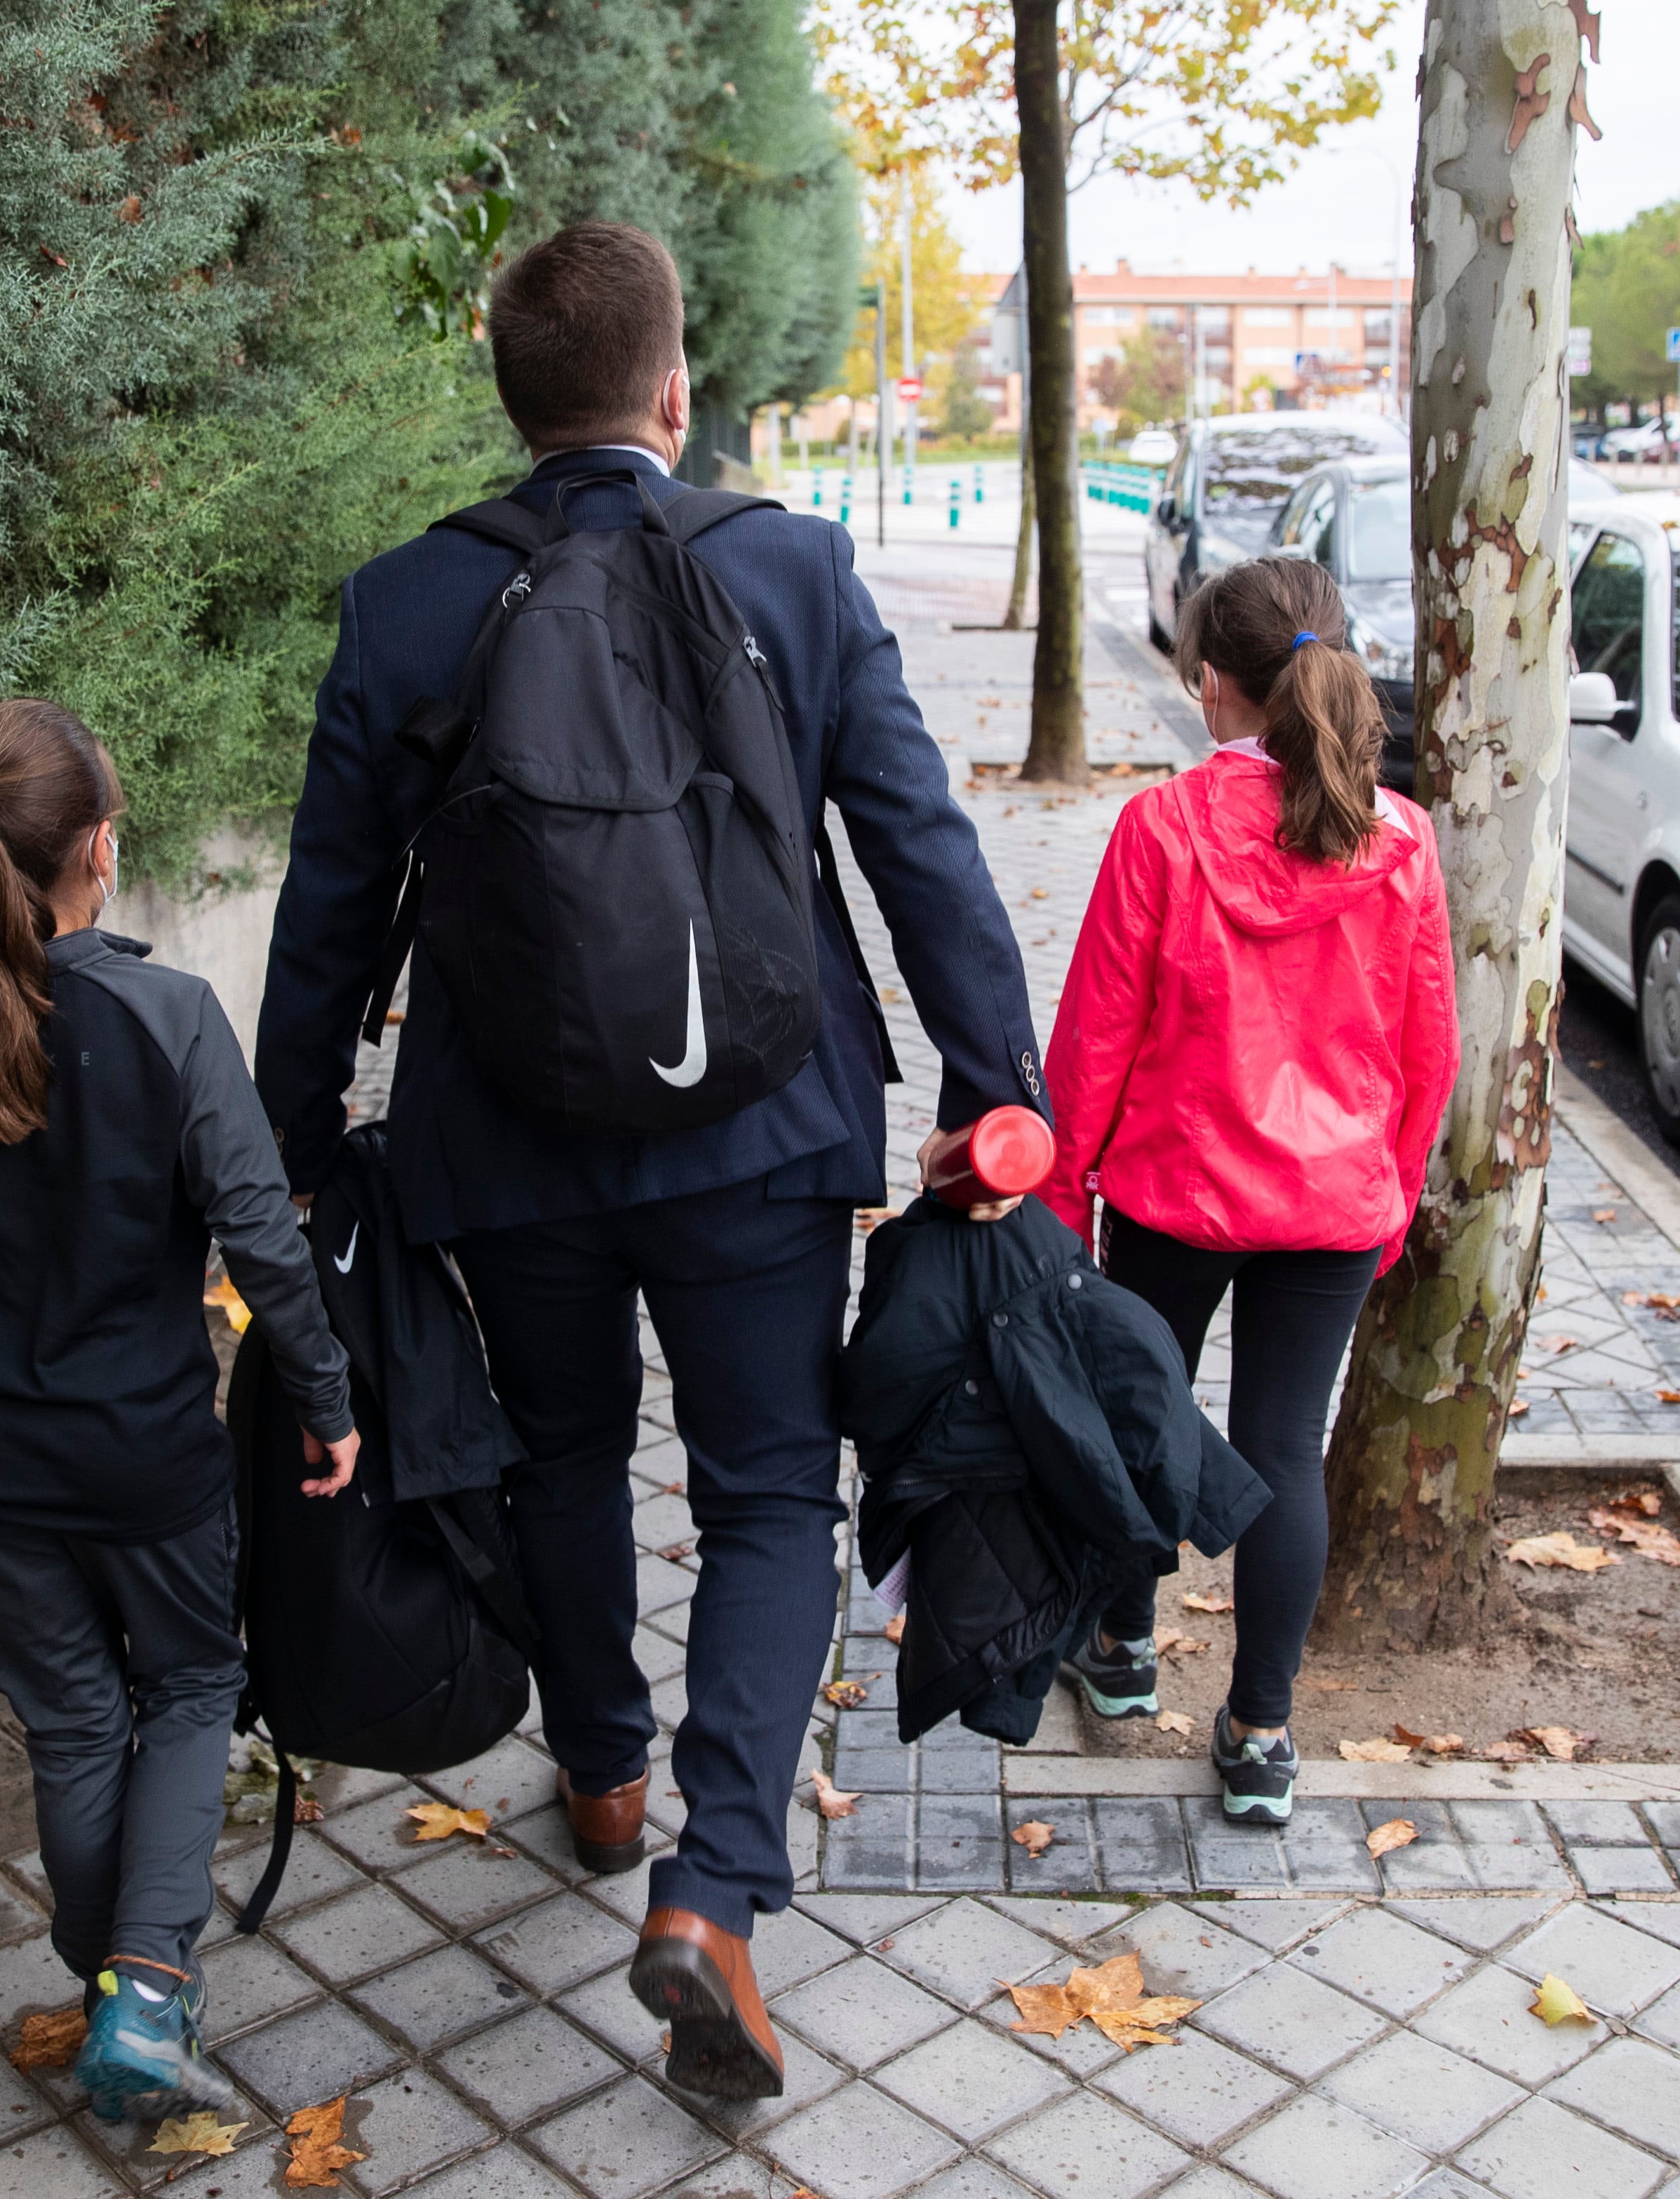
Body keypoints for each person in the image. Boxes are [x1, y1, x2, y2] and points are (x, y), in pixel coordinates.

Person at [255, 222, 1039, 2099]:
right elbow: (916, 839)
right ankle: (716, 1893)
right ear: (675, 395)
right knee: (772, 1490)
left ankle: (601, 1767)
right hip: (761, 1134)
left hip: (506, 1136)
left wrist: (288, 1140)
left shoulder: (406, 605)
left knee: (563, 1452)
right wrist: (986, 1078)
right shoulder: (791, 569)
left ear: (514, 404)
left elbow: (328, 912)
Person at [0, 699, 361, 2125]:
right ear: (98, 854)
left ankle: (102, 1969)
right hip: (147, 1456)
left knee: (71, 1719)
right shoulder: (169, 1016)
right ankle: (140, 1985)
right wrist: (321, 1394)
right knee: (188, 1685)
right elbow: (261, 1235)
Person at [1035, 557, 1460, 1829]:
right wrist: (1389, 1190)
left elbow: (1093, 1043)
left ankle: (1117, 1653)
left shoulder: (1162, 830)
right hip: (1334, 1202)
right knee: (1285, 1448)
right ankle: (1263, 1734)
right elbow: (1426, 1044)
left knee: (1141, 1417)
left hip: (1175, 1190)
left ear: (1215, 684)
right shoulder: (1402, 839)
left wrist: (1062, 1202)